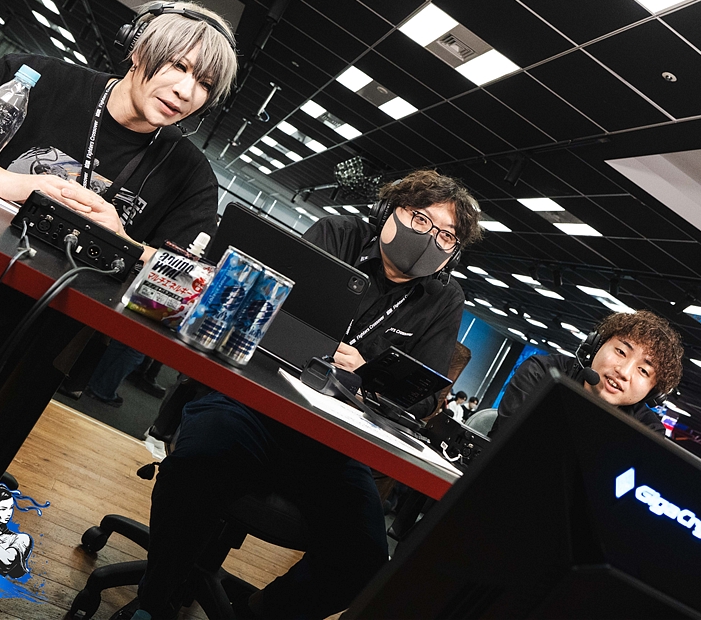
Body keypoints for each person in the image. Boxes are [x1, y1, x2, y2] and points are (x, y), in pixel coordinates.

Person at [0, 1, 237, 498]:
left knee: (16, 370)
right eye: (179, 66)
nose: (187, 91)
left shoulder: (189, 175)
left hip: (21, 321)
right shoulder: (42, 79)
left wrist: (123, 242)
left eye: (205, 84)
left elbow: (195, 283)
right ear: (138, 49)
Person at [125, 170, 482, 620]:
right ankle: (155, 600)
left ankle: (256, 613)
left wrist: (366, 371)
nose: (430, 238)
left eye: (446, 236)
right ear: (390, 210)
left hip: (333, 445)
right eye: (421, 219)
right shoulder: (337, 235)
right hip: (254, 406)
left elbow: (423, 393)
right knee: (195, 470)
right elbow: (268, 310)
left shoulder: (444, 298)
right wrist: (322, 347)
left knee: (363, 561)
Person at [489, 310, 684, 437]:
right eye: (620, 352)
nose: (623, 372)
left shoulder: (647, 430)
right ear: (596, 346)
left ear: (653, 392)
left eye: (643, 370)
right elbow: (517, 446)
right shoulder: (540, 373)